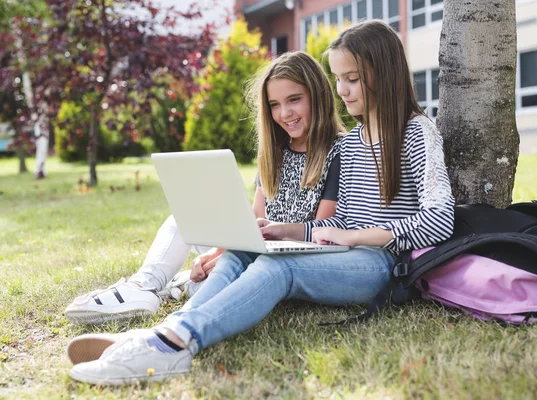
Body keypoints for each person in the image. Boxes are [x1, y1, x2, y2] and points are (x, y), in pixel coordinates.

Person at [67, 20, 455, 385]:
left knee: (276, 266)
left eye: (352, 79)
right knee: (240, 254)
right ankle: (167, 330)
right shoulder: (353, 143)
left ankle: (174, 344)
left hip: (381, 264)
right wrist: (283, 230)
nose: (342, 91)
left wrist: (359, 236)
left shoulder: (417, 133)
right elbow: (337, 227)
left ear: (383, 74)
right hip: (347, 253)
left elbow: (439, 221)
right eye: (339, 80)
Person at [64, 51, 344, 325]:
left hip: (287, 263)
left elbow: (318, 235)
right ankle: (143, 287)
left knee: (220, 285)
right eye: (274, 104)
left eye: (294, 99)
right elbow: (252, 223)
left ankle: (178, 286)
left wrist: (229, 256)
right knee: (183, 221)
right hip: (255, 251)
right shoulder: (274, 151)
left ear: (317, 96)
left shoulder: (338, 151)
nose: (285, 113)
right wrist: (217, 252)